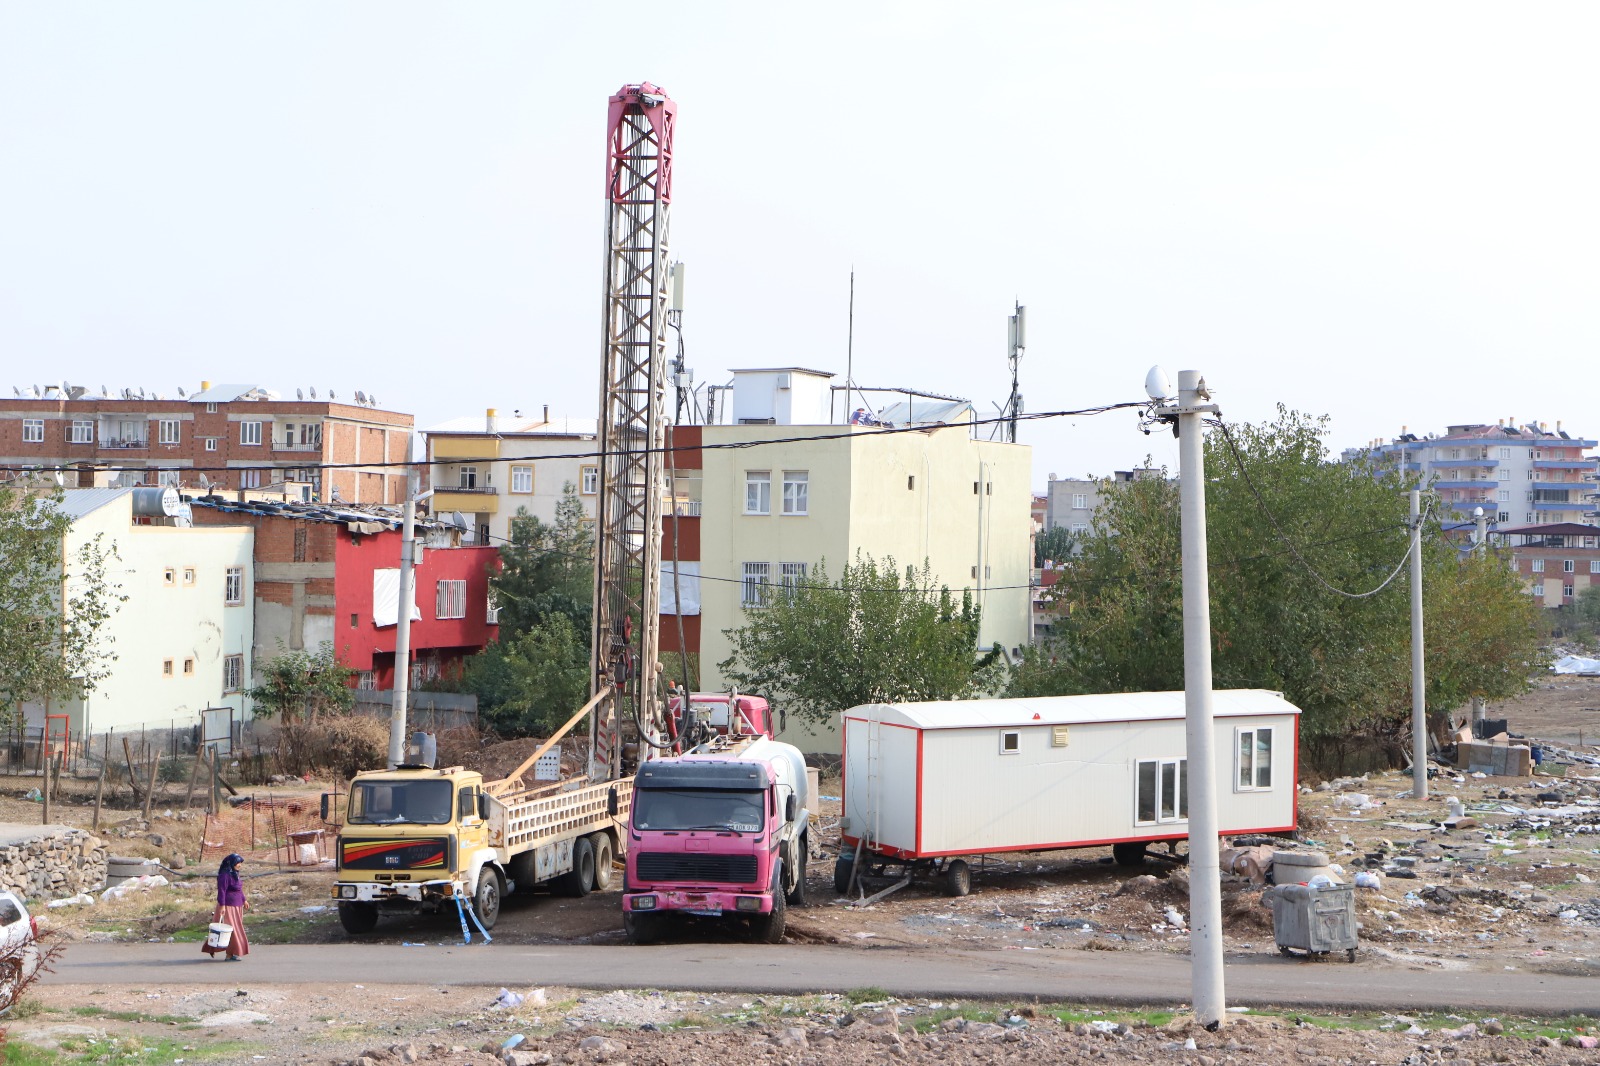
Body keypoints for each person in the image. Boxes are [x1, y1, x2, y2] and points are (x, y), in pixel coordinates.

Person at [202, 853, 250, 961]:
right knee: (230, 931)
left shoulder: (235, 874)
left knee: (234, 930)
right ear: (231, 863)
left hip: (237, 906)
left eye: (240, 863)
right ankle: (226, 953)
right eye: (237, 863)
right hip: (228, 906)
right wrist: (222, 906)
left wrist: (244, 900)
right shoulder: (224, 875)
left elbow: (239, 889)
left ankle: (231, 953)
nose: (239, 865)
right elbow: (222, 891)